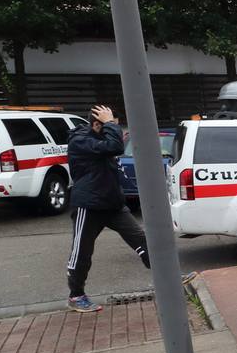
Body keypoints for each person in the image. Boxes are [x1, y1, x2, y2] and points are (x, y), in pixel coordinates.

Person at [66, 106, 177, 312]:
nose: (115, 128)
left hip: (113, 204)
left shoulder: (99, 139)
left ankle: (170, 279)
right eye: (111, 124)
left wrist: (109, 126)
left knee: (143, 240)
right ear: (97, 124)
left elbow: (112, 147)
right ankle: (76, 296)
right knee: (82, 252)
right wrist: (110, 126)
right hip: (89, 205)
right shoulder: (80, 141)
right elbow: (115, 146)